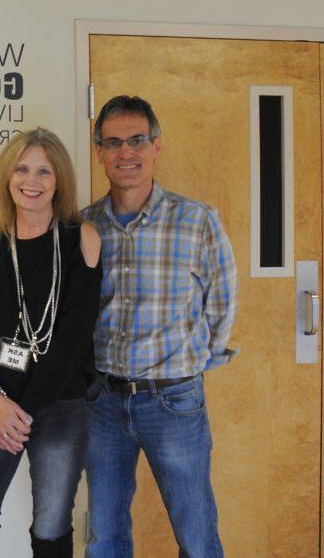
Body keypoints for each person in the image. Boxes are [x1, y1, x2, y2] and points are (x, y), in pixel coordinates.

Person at [82, 95, 237, 558]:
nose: (125, 152)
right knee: (104, 533)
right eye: (113, 142)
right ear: (99, 152)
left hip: (174, 402)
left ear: (156, 146)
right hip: (102, 402)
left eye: (136, 140)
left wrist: (191, 363)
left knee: (196, 532)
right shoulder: (85, 226)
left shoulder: (197, 220)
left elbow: (222, 303)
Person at [0, 128, 102, 558]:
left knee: (52, 534)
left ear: (59, 181)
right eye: (21, 168)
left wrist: (25, 411)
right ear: (7, 175)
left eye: (43, 170)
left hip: (58, 410)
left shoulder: (82, 239)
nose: (31, 180)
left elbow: (75, 340)